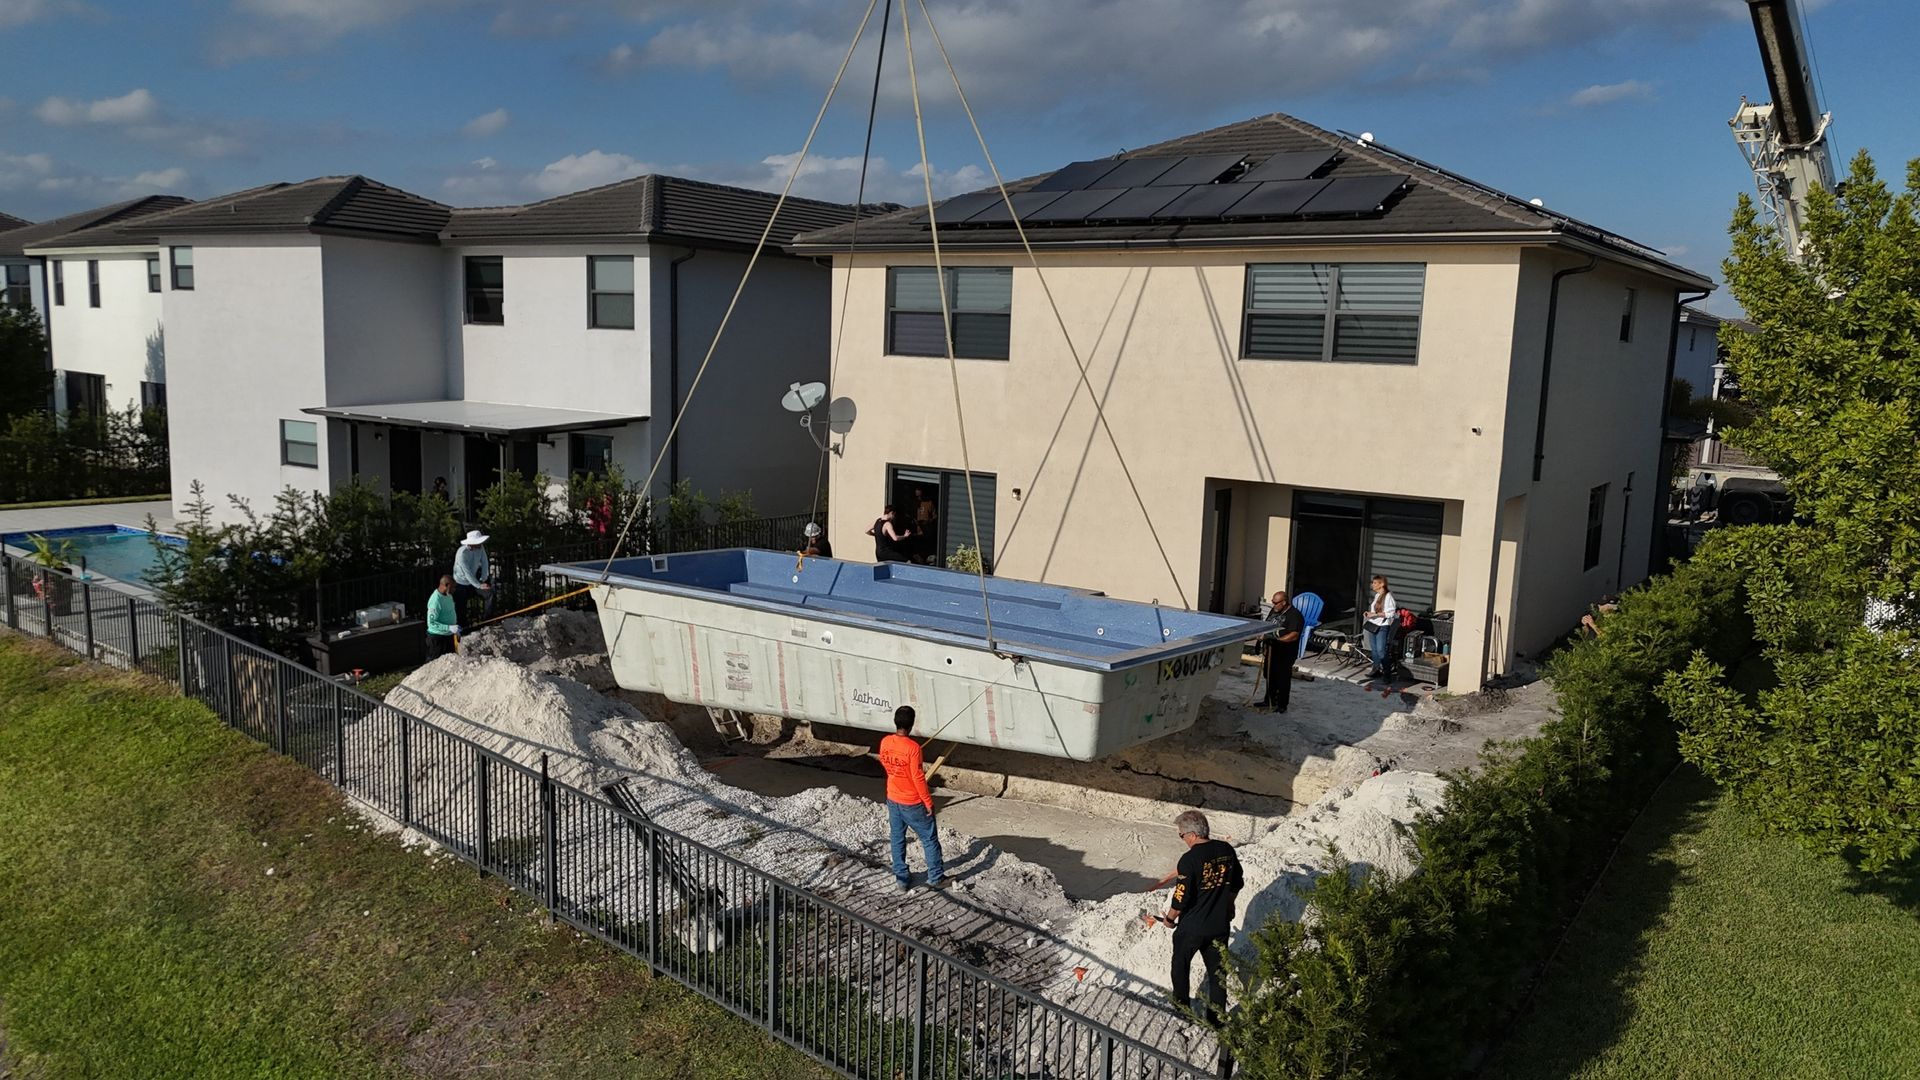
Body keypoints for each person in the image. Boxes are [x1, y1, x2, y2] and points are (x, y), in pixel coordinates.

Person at [1143, 810, 1243, 1029]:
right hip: (1219, 926)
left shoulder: (1189, 859)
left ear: (1191, 835)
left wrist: (1169, 919)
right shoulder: (1226, 850)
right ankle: (1215, 1021)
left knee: (1180, 967)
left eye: (1181, 836)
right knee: (1218, 975)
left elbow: (1181, 896)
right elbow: (1236, 883)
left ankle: (1181, 1012)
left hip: (1192, 927)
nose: (1182, 840)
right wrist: (1229, 906)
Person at [878, 705, 945, 891]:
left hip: (892, 797)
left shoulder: (885, 742)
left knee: (897, 838)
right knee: (929, 839)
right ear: (912, 723)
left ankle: (901, 879)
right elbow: (918, 777)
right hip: (912, 801)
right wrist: (928, 801)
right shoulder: (913, 748)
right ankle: (936, 877)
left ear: (895, 721)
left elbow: (885, 761)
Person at [1260, 590, 1305, 712]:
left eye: (1276, 603)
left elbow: (1294, 635)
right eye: (1273, 602)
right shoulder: (1275, 611)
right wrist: (1264, 642)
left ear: (1284, 602)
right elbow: (1267, 626)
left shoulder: (1294, 615)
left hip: (1285, 652)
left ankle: (1281, 705)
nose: (1273, 605)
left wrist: (1277, 640)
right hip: (1271, 650)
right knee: (1269, 675)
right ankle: (1268, 700)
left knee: (1282, 678)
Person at [452, 529, 494, 622]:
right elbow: (467, 572)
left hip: (474, 581)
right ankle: (463, 626)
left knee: (489, 593)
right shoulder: (462, 553)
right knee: (461, 606)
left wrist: (483, 579)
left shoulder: (480, 548)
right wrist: (479, 585)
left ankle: (488, 620)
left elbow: (484, 562)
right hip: (461, 583)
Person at [1363, 574, 1398, 679]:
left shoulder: (1388, 597)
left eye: (1374, 583)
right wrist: (1369, 613)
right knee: (1374, 650)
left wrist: (1375, 614)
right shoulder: (1377, 596)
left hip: (1382, 626)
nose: (1372, 585)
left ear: (1381, 584)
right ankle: (1376, 669)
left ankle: (1387, 673)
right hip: (1373, 625)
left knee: (1381, 651)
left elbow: (1390, 613)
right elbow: (1375, 610)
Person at [426, 575, 460, 658]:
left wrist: (454, 628)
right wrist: (449, 628)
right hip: (437, 639)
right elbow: (431, 623)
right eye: (453, 587)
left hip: (449, 636)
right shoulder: (435, 601)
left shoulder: (449, 595)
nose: (454, 590)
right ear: (446, 585)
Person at [913, 487, 939, 563]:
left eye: (920, 495)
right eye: (917, 496)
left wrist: (927, 522)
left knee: (926, 547)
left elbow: (935, 517)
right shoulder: (913, 503)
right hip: (916, 531)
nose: (919, 498)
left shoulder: (929, 503)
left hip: (927, 530)